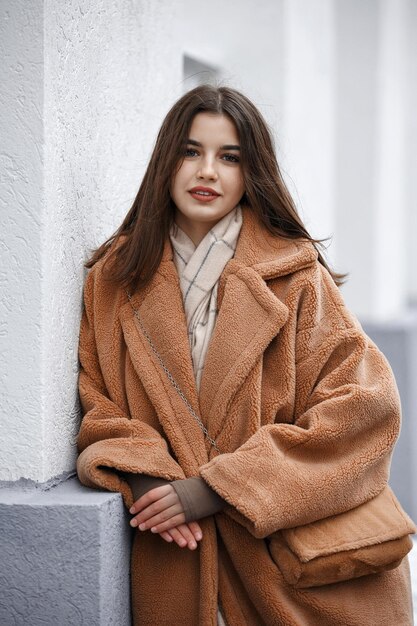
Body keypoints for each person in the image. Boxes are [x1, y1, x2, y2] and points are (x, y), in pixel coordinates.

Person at [76, 85, 413, 625]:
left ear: (250, 172)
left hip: (290, 576)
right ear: (166, 161)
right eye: (191, 151)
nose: (207, 171)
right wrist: (148, 480)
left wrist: (216, 489)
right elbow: (99, 403)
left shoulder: (297, 278)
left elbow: (366, 408)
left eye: (229, 157)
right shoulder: (114, 281)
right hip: (175, 554)